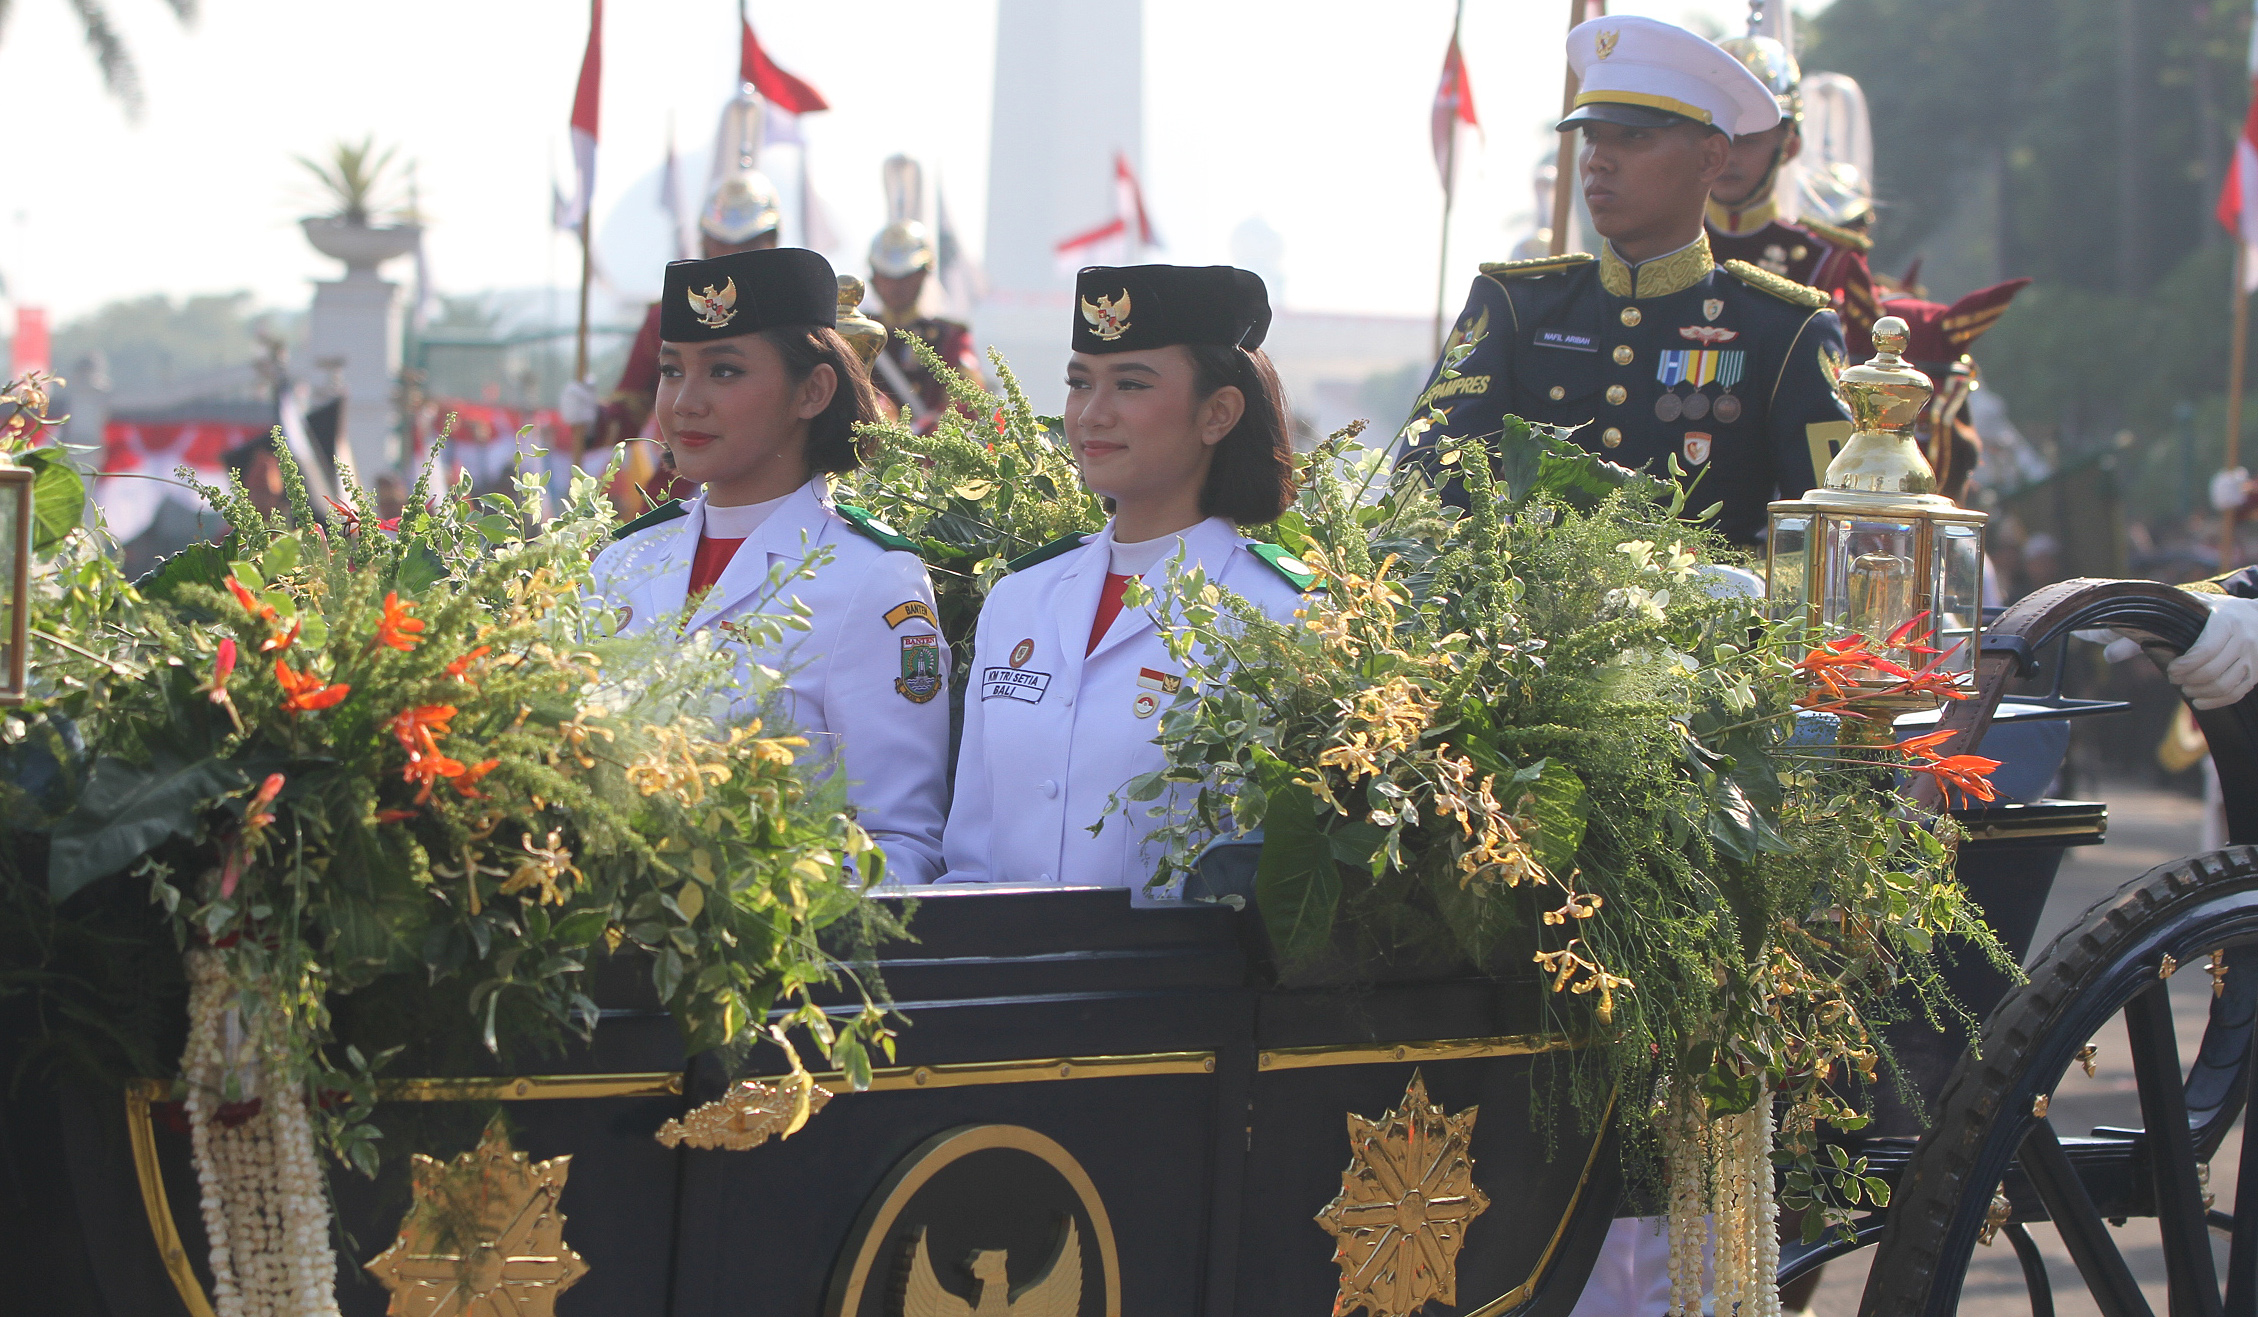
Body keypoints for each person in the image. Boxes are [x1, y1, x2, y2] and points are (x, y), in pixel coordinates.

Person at [1399, 14, 1855, 549]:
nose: (1598, 161)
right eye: (1592, 136)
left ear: (1712, 157)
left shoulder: (1785, 330)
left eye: (1634, 137)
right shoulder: (1516, 307)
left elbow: (1831, 536)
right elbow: (1425, 484)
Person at [940, 263, 1310, 899]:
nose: (1092, 414)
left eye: (1131, 385)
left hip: (1165, 988)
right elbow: (972, 853)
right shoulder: (1021, 599)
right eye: (1079, 384)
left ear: (1218, 413)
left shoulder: (1277, 615)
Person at [590, 246, 950, 884]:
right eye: (672, 372)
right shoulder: (624, 560)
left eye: (724, 372)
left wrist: (767, 916)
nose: (684, 403)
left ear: (813, 390)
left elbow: (898, 843)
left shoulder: (872, 578)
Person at [562, 87, 784, 508]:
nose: (734, 256)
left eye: (750, 243)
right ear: (703, 241)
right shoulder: (669, 315)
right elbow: (631, 410)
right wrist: (593, 419)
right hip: (681, 490)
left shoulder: (798, 317)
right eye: (722, 242)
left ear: (773, 242)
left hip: (778, 485)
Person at [1705, 32, 1883, 358]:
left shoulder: (1830, 260)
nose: (1728, 155)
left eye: (1748, 140)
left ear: (1790, 146)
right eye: (1718, 136)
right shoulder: (1656, 243)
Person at [865, 155, 984, 433]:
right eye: (888, 276)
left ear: (923, 274)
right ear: (873, 276)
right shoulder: (857, 331)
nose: (896, 285)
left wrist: (925, 430)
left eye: (906, 275)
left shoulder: (949, 337)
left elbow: (967, 402)